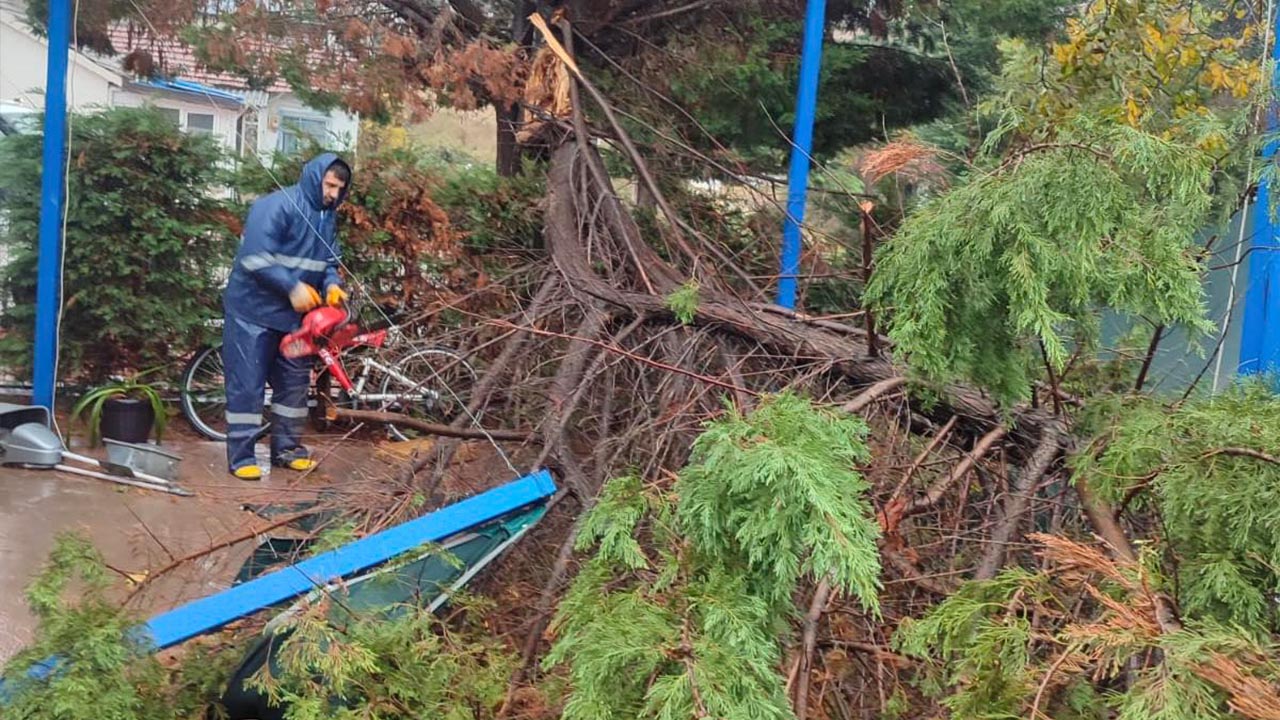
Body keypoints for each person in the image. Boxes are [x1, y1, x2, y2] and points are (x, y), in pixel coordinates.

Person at [221, 153, 352, 480]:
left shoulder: (327, 218)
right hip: (253, 312)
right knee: (247, 385)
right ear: (315, 176)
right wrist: (292, 287)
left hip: (295, 321)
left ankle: (288, 450)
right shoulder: (275, 206)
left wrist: (332, 285)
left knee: (293, 387)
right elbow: (255, 257)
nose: (333, 194)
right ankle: (242, 457)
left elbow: (329, 262)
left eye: (340, 189)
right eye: (330, 185)